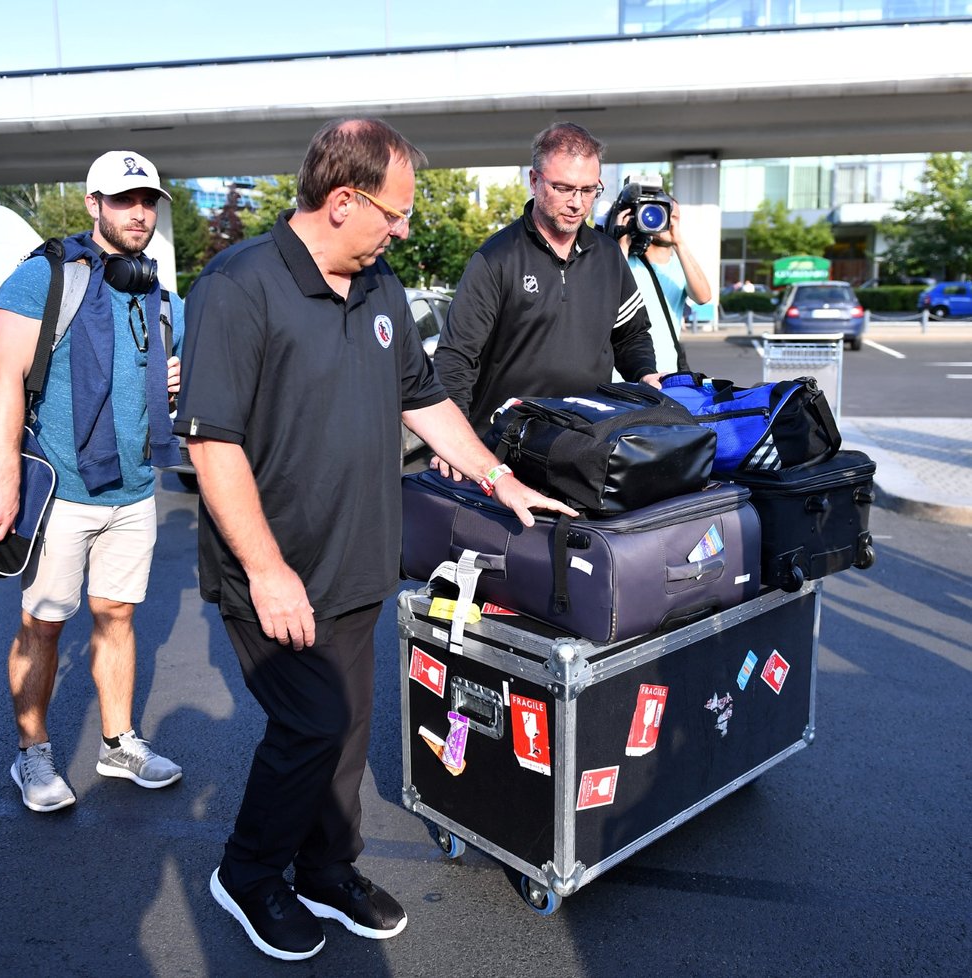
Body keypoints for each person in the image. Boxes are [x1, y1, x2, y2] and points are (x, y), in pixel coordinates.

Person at [176, 118, 575, 962]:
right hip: (275, 570)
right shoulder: (238, 285)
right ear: (342, 201)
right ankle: (248, 875)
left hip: (360, 556)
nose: (402, 230)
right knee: (312, 725)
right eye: (393, 214)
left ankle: (326, 868)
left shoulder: (381, 286)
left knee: (350, 728)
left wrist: (500, 480)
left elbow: (425, 401)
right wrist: (267, 569)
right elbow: (212, 443)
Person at [0, 150, 185, 813]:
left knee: (117, 618)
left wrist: (169, 385)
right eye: (124, 200)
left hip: (135, 491)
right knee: (44, 626)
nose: (139, 212)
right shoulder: (43, 280)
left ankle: (117, 743)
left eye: (148, 200)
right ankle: (32, 756)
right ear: (93, 204)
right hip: (60, 491)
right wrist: (4, 478)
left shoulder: (162, 295)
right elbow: (2, 378)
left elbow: (162, 387)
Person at [433, 121, 660, 438]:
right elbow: (456, 358)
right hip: (507, 444)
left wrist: (645, 374)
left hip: (587, 441)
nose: (577, 203)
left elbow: (631, 336)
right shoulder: (496, 258)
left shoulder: (609, 257)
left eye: (589, 190)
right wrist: (452, 440)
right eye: (563, 188)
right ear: (534, 181)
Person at [617, 191, 713, 373]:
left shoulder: (682, 265)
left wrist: (679, 244)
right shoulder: (626, 259)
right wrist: (622, 242)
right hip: (623, 374)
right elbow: (610, 294)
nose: (668, 222)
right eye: (660, 213)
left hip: (666, 373)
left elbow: (703, 297)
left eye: (673, 216)